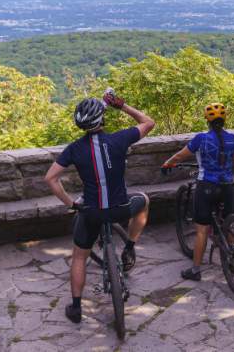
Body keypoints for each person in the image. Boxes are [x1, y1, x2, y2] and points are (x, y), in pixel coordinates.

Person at [44, 88, 155, 323]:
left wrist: (72, 204)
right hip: (121, 207)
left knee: (79, 257)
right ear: (102, 119)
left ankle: (75, 308)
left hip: (91, 213)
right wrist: (121, 105)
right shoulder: (118, 139)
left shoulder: (73, 149)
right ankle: (130, 246)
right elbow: (148, 122)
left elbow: (50, 179)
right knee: (144, 201)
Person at [161, 103, 234, 281]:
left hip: (207, 187)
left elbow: (181, 156)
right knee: (227, 223)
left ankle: (196, 270)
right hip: (227, 186)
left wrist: (168, 163)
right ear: (224, 119)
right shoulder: (233, 139)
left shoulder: (201, 139)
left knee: (202, 230)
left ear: (207, 120)